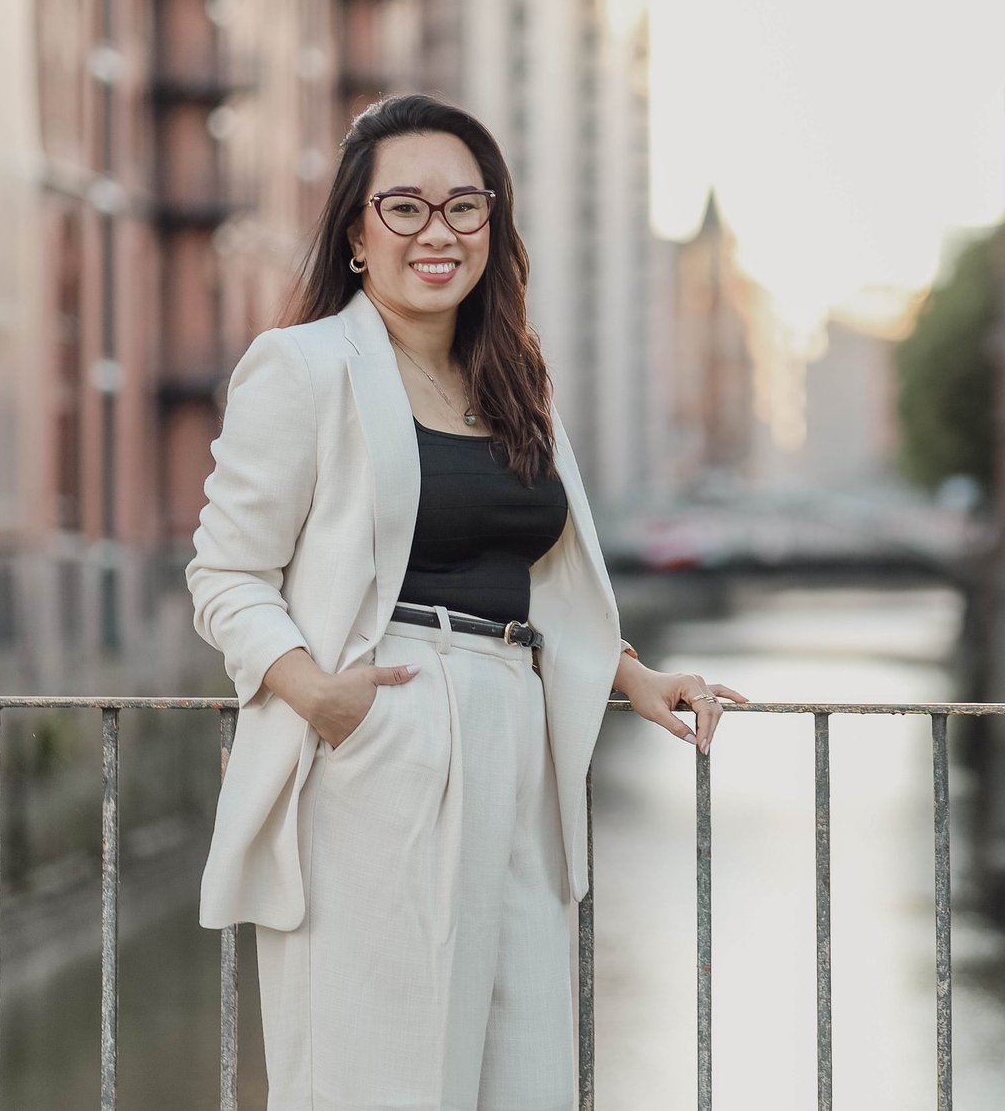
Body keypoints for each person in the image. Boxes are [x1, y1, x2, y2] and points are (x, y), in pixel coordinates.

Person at [187, 93, 747, 1110]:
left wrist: (635, 675)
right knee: (378, 1076)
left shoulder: (513, 379)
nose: (437, 232)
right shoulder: (303, 367)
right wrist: (318, 696)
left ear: (494, 223)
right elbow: (224, 574)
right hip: (378, 737)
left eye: (463, 206)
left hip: (517, 746)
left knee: (520, 1070)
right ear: (357, 232)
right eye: (404, 208)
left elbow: (536, 579)